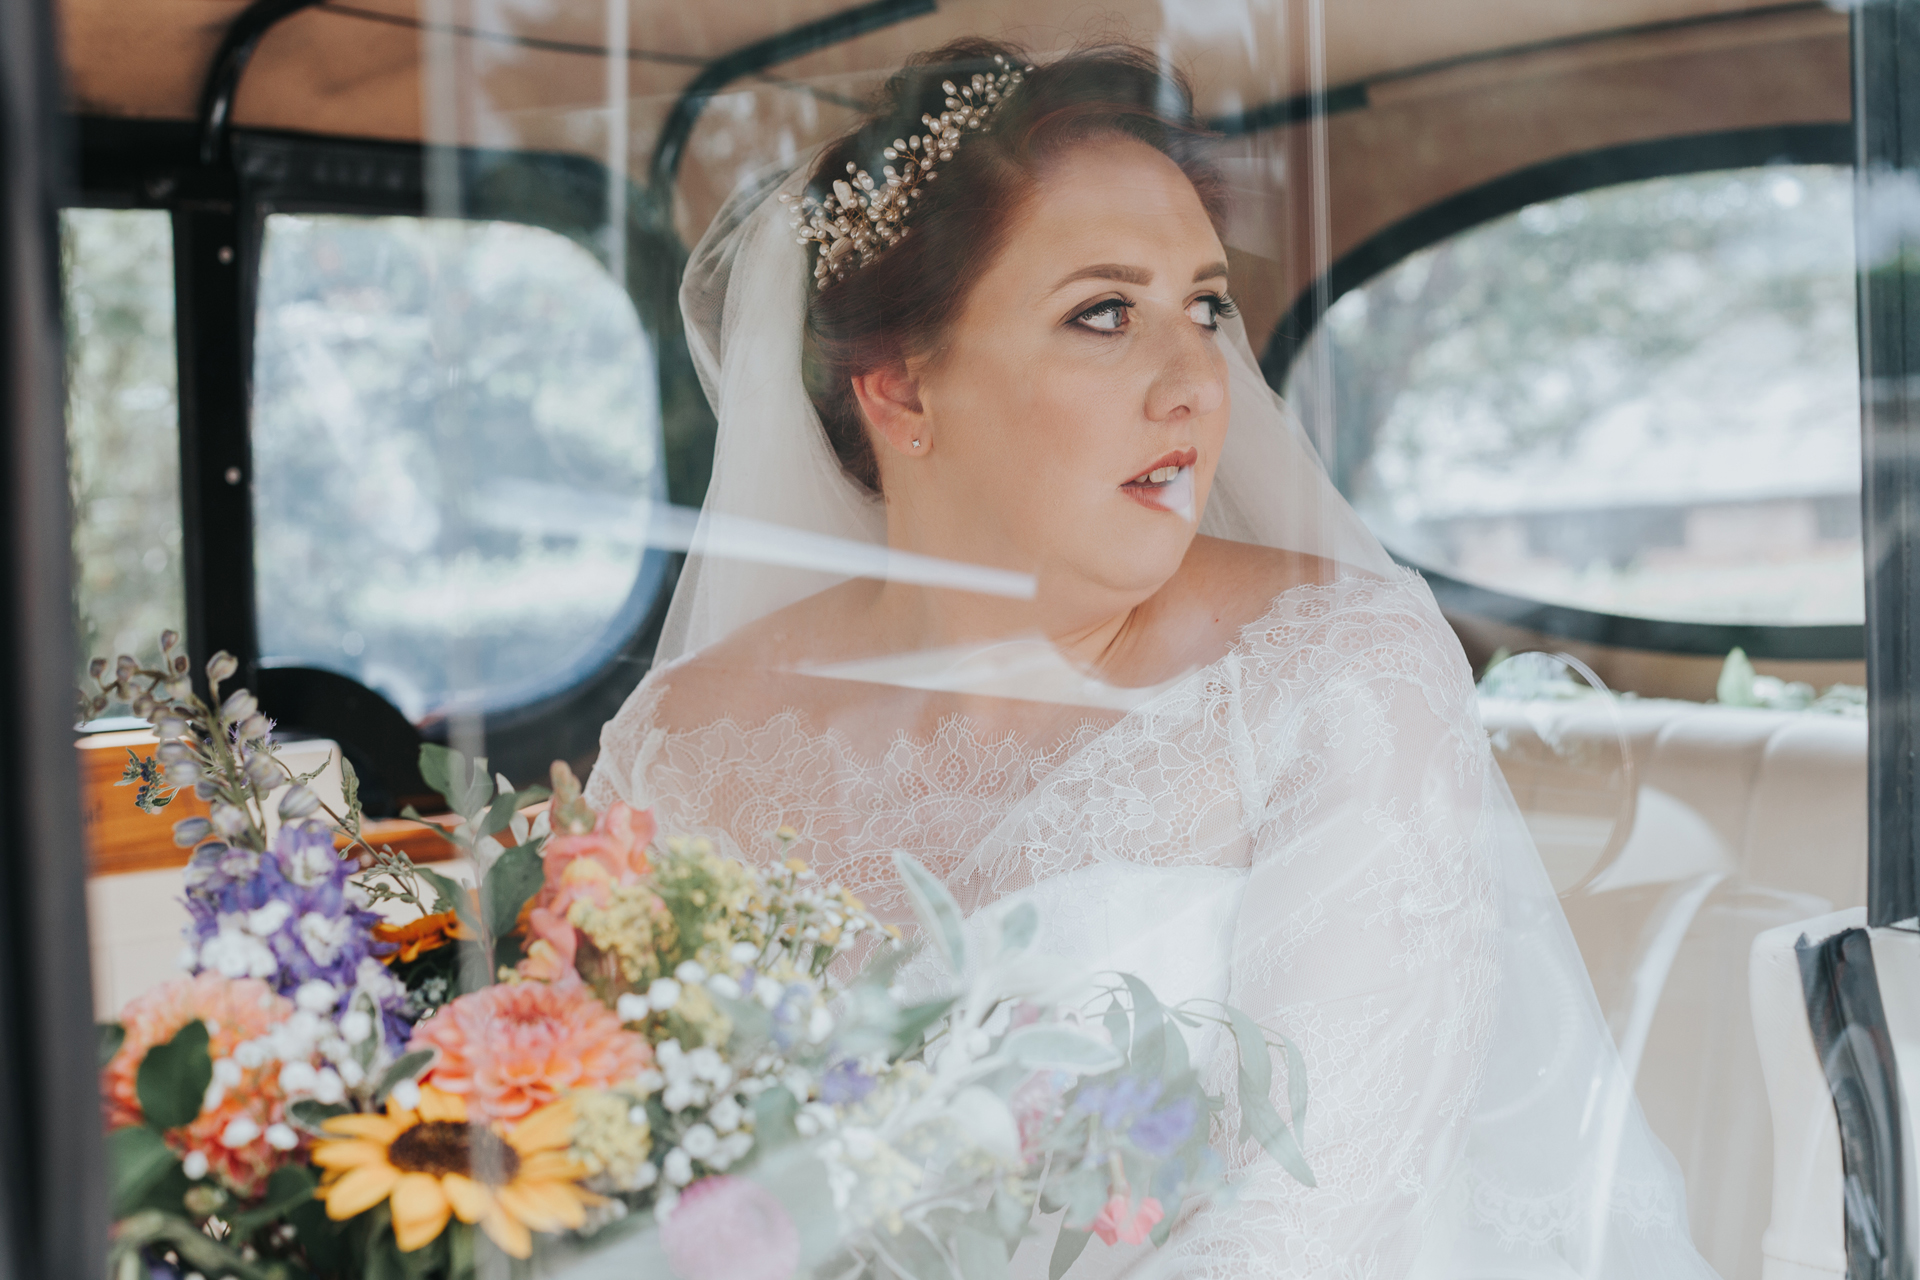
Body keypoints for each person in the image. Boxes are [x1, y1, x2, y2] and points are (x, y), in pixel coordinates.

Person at [585, 38, 1717, 1279]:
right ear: (901, 391)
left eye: (1207, 305)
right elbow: (604, 1167)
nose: (1196, 383)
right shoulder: (686, 742)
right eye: (1105, 313)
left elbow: (1315, 1215)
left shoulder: (1336, 675)